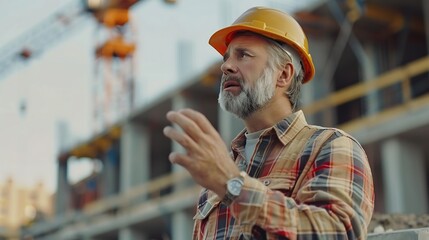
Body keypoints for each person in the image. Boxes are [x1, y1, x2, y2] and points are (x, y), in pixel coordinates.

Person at [163, 6, 374, 240]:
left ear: (283, 75)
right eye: (226, 58)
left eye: (243, 55)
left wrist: (233, 186)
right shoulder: (220, 173)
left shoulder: (330, 147)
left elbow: (340, 233)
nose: (226, 66)